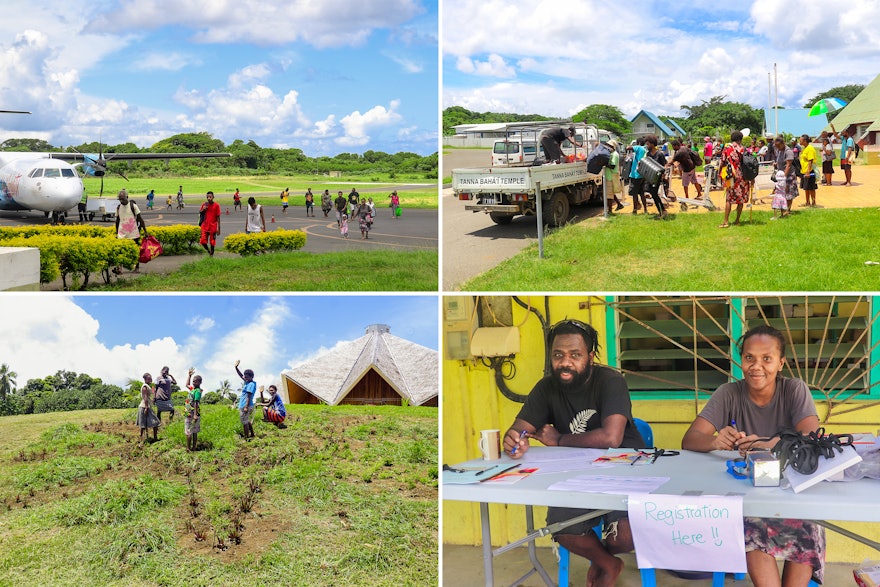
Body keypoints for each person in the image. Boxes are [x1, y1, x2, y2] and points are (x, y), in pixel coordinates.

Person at [503, 320, 644, 587]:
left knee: (625, 536)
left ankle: (601, 557)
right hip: (577, 474)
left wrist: (559, 439)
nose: (565, 363)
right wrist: (513, 440)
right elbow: (519, 429)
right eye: (558, 355)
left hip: (625, 467)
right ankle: (608, 563)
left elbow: (611, 437)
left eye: (575, 355)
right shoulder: (546, 388)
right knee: (560, 526)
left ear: (590, 356)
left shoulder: (611, 380)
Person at [681, 324, 824, 587]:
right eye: (749, 358)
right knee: (752, 524)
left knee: (809, 521)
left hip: (791, 490)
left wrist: (768, 444)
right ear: (741, 361)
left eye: (766, 359)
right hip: (746, 493)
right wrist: (715, 442)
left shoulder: (794, 390)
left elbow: (812, 437)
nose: (756, 366)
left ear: (781, 363)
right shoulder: (728, 393)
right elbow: (690, 439)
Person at [718, 130, 749, 228]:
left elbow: (722, 162)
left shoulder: (727, 148)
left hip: (731, 175)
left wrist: (719, 173)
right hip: (742, 176)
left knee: (729, 199)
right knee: (740, 199)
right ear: (740, 139)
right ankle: (737, 220)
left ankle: (726, 221)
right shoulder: (743, 149)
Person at [115, 189, 147, 274]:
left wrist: (145, 231)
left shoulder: (133, 206)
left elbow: (140, 219)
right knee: (120, 251)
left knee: (136, 251)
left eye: (123, 199)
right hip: (122, 233)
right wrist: (116, 232)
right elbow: (117, 220)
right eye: (120, 199)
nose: (121, 201)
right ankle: (119, 269)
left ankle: (136, 268)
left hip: (133, 233)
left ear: (127, 197)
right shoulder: (118, 207)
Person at [642, 135, 668, 220]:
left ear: (652, 144)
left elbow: (665, 165)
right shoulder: (648, 154)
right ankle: (662, 211)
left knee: (654, 193)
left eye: (648, 144)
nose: (647, 145)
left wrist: (663, 175)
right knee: (653, 194)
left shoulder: (659, 154)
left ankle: (662, 211)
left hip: (657, 178)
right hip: (650, 178)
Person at [773, 136, 798, 215]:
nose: (777, 148)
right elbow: (780, 161)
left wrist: (783, 177)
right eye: (776, 146)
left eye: (779, 146)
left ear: (783, 143)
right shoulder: (780, 151)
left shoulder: (788, 151)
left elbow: (788, 165)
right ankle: (783, 208)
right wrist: (776, 164)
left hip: (789, 175)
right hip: (781, 175)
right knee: (782, 193)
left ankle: (788, 210)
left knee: (789, 193)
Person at [234, 360, 256, 440]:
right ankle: (252, 434)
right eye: (245, 377)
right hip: (244, 405)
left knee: (244, 422)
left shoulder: (251, 384)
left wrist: (246, 407)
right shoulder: (248, 382)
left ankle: (246, 438)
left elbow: (248, 396)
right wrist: (236, 368)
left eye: (247, 377)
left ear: (251, 377)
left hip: (246, 405)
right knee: (246, 420)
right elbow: (241, 376)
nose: (245, 378)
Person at [137, 372, 160, 443]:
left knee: (143, 424)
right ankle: (153, 438)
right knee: (154, 423)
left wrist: (154, 393)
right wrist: (146, 408)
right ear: (145, 379)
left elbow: (150, 397)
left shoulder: (148, 386)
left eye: (151, 378)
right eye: (149, 378)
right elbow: (145, 398)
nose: (151, 379)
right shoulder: (145, 387)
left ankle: (143, 439)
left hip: (147, 406)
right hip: (144, 407)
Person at [603, 139, 624, 213]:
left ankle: (610, 211)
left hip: (611, 176)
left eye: (608, 146)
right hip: (609, 176)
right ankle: (619, 204)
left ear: (612, 146)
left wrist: (604, 164)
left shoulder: (614, 154)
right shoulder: (611, 154)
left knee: (609, 195)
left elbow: (612, 166)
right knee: (610, 193)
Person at [628, 137, 648, 214]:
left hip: (635, 174)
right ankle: (645, 210)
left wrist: (631, 146)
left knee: (634, 193)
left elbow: (628, 148)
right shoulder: (644, 149)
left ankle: (635, 210)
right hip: (642, 174)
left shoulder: (639, 147)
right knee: (642, 193)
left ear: (638, 143)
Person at [184, 367, 202, 451]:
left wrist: (195, 415)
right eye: (193, 381)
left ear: (200, 382)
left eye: (195, 381)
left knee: (189, 431)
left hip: (192, 413)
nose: (193, 382)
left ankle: (189, 448)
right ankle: (193, 447)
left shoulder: (197, 391)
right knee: (193, 431)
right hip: (189, 412)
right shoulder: (192, 389)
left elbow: (196, 403)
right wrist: (189, 376)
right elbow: (187, 385)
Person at [798, 134, 818, 208]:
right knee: (806, 188)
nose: (799, 141)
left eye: (801, 140)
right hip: (804, 171)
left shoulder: (810, 148)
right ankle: (807, 202)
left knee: (811, 188)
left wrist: (808, 171)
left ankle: (813, 203)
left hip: (809, 171)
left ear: (805, 141)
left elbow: (810, 160)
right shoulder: (805, 148)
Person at [198, 191, 221, 256]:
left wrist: (219, 228)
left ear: (213, 197)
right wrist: (203, 209)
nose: (209, 198)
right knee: (202, 241)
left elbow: (218, 217)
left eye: (210, 197)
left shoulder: (216, 205)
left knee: (212, 243)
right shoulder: (204, 204)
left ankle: (211, 255)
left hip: (213, 227)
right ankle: (208, 251)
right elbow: (200, 212)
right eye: (207, 197)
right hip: (204, 226)